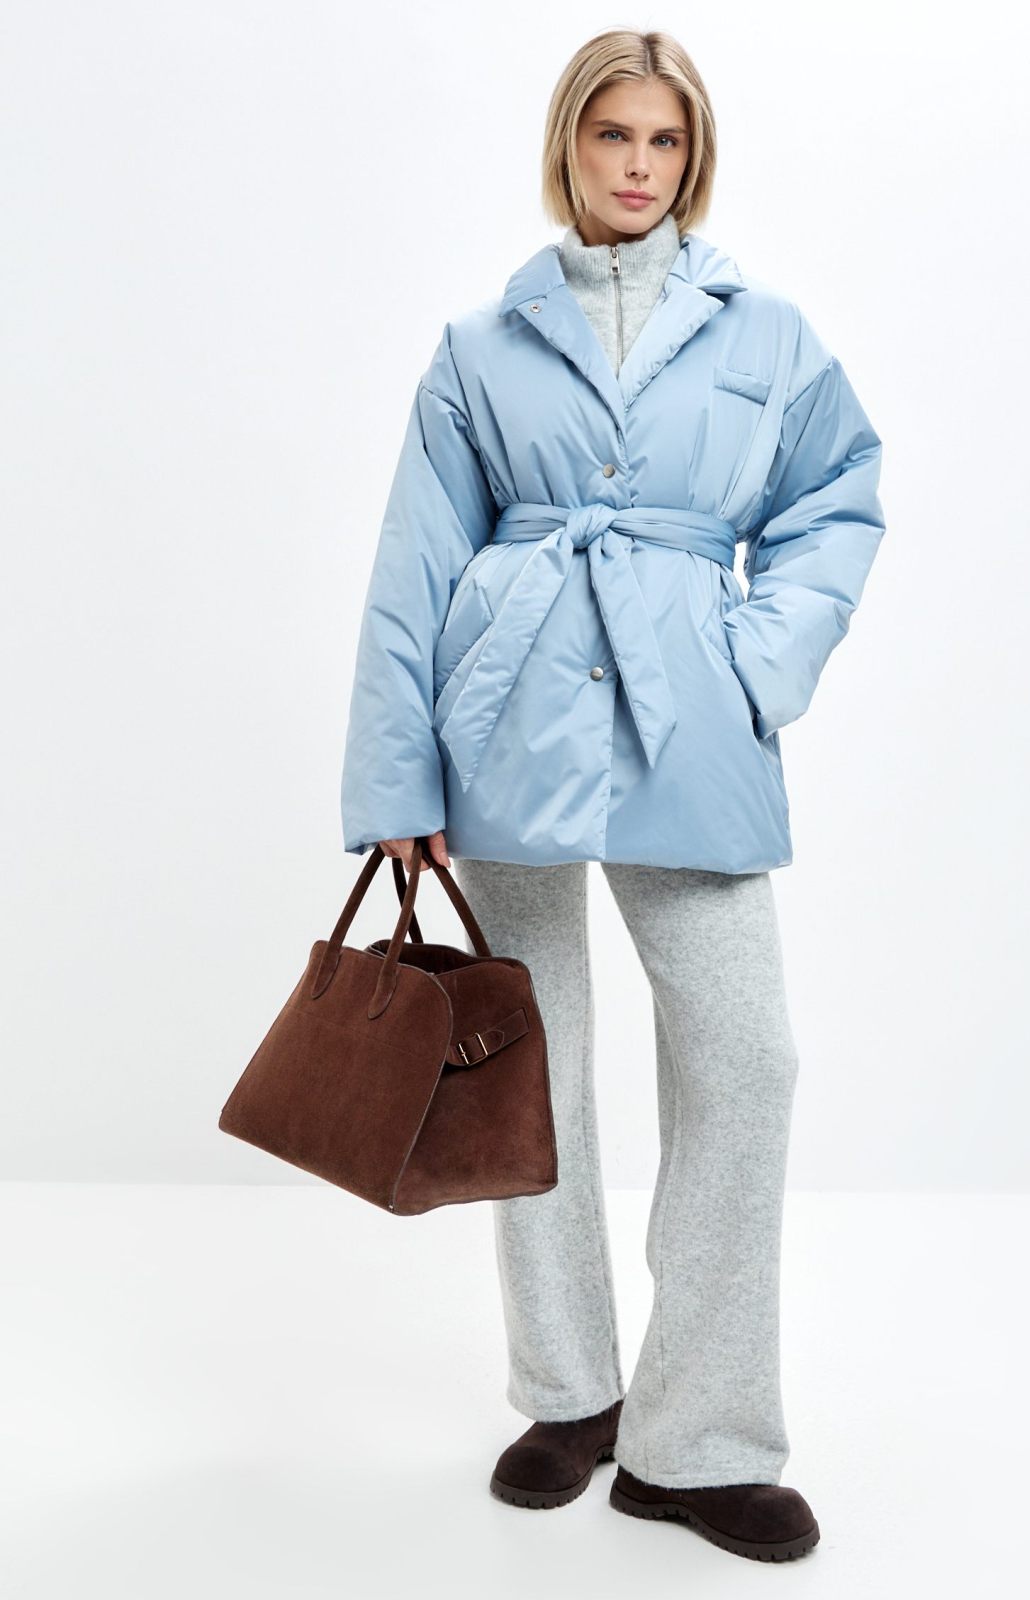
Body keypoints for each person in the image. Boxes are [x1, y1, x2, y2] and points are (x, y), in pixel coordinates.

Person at [340, 27, 885, 1564]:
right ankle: (571, 1394)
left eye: (664, 140)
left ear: (692, 156)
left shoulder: (768, 334)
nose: (637, 166)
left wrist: (757, 660)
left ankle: (696, 1438)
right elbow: (413, 565)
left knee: (749, 1060)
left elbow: (839, 497)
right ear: (568, 147)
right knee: (536, 1066)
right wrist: (397, 778)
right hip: (506, 716)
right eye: (611, 136)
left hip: (688, 724)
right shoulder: (479, 346)